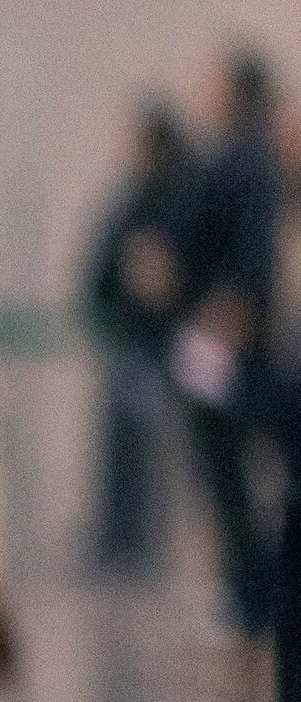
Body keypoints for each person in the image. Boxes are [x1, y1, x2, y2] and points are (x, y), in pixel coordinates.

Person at [172, 46, 284, 634]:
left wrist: (226, 312)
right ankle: (251, 588)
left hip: (225, 339)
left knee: (228, 468)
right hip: (225, 336)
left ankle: (253, 592)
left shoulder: (243, 160)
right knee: (232, 470)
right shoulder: (248, 160)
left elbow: (246, 261)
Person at [86, 95, 193, 580]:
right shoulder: (138, 198)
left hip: (157, 347)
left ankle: (138, 549)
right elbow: (102, 269)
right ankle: (123, 546)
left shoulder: (171, 199)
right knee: (126, 453)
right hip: (137, 346)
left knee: (145, 455)